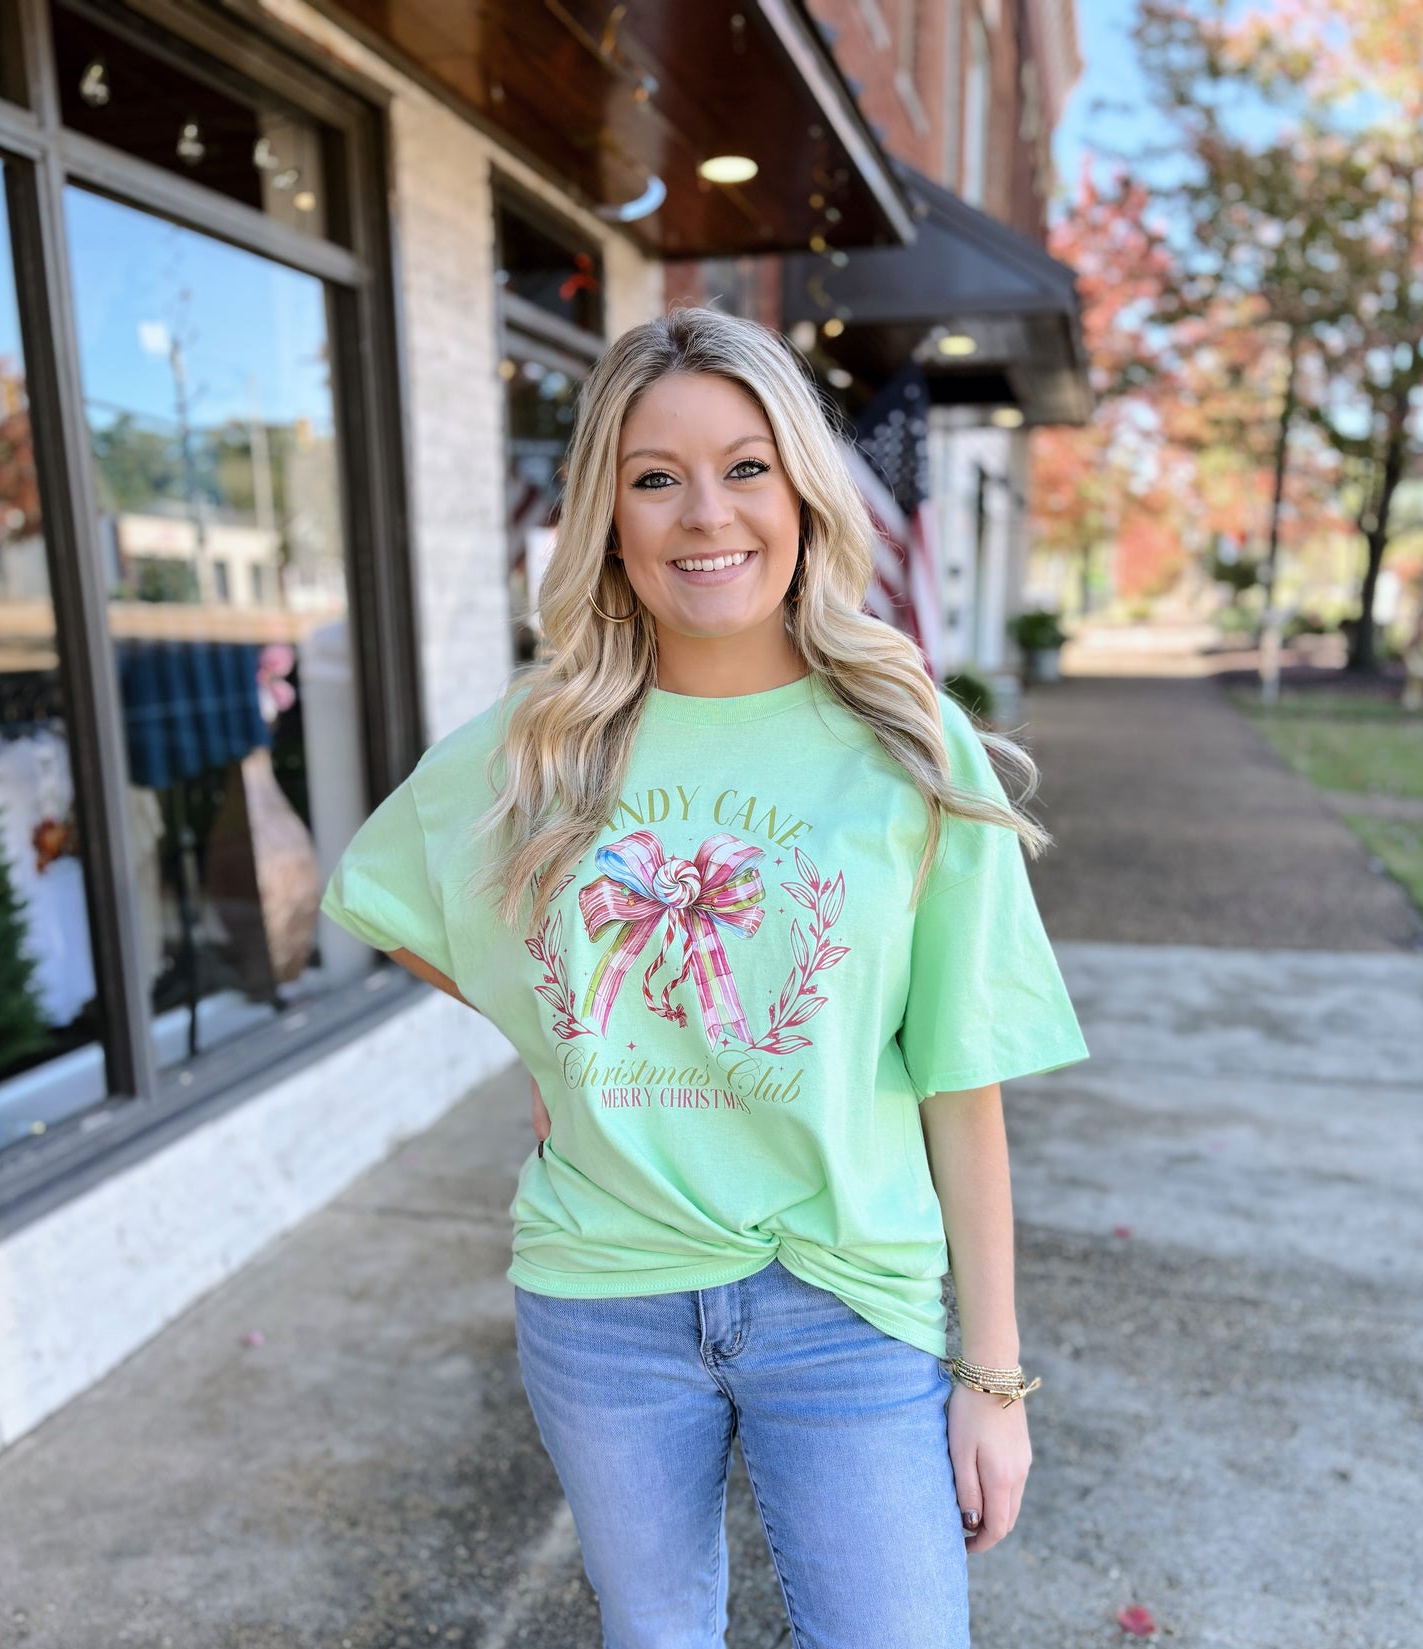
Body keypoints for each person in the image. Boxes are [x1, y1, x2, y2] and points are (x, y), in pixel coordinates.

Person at [320, 305, 1090, 1648]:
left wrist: (994, 1375)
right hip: (601, 1291)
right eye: (653, 476)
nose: (703, 514)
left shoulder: (903, 737)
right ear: (606, 517)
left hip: (848, 1299)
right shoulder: (543, 735)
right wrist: (554, 1042)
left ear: (801, 487)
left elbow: (961, 1074)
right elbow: (388, 896)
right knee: (657, 1631)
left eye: (744, 466)